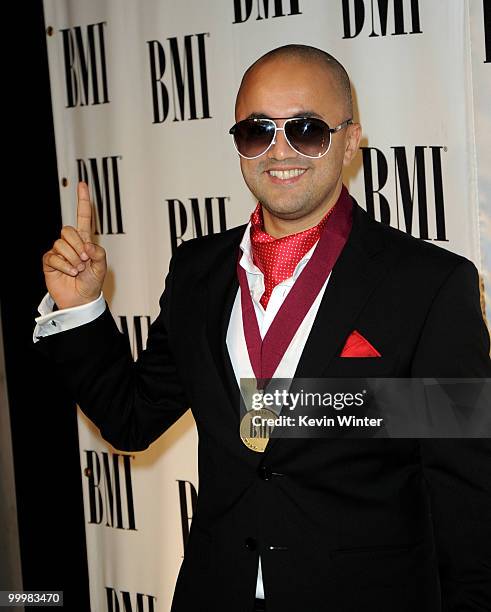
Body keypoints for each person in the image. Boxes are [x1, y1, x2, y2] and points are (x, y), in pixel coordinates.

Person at [34, 45, 491, 612]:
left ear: (351, 139)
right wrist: (80, 309)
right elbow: (131, 418)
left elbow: (466, 498)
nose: (280, 151)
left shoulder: (428, 286)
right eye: (256, 131)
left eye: (306, 129)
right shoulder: (198, 272)